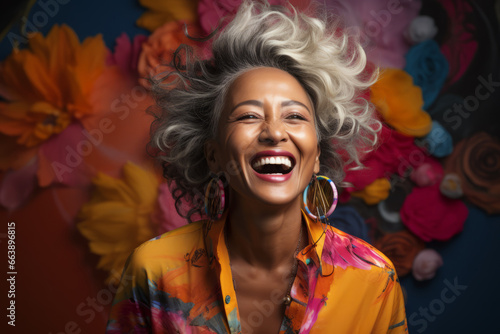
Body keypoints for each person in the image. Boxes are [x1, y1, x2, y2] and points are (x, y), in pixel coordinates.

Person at [106, 1, 408, 333]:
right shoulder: (153, 272)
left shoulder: (374, 280)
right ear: (213, 155)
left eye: (294, 116)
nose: (275, 132)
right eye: (249, 115)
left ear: (318, 155)